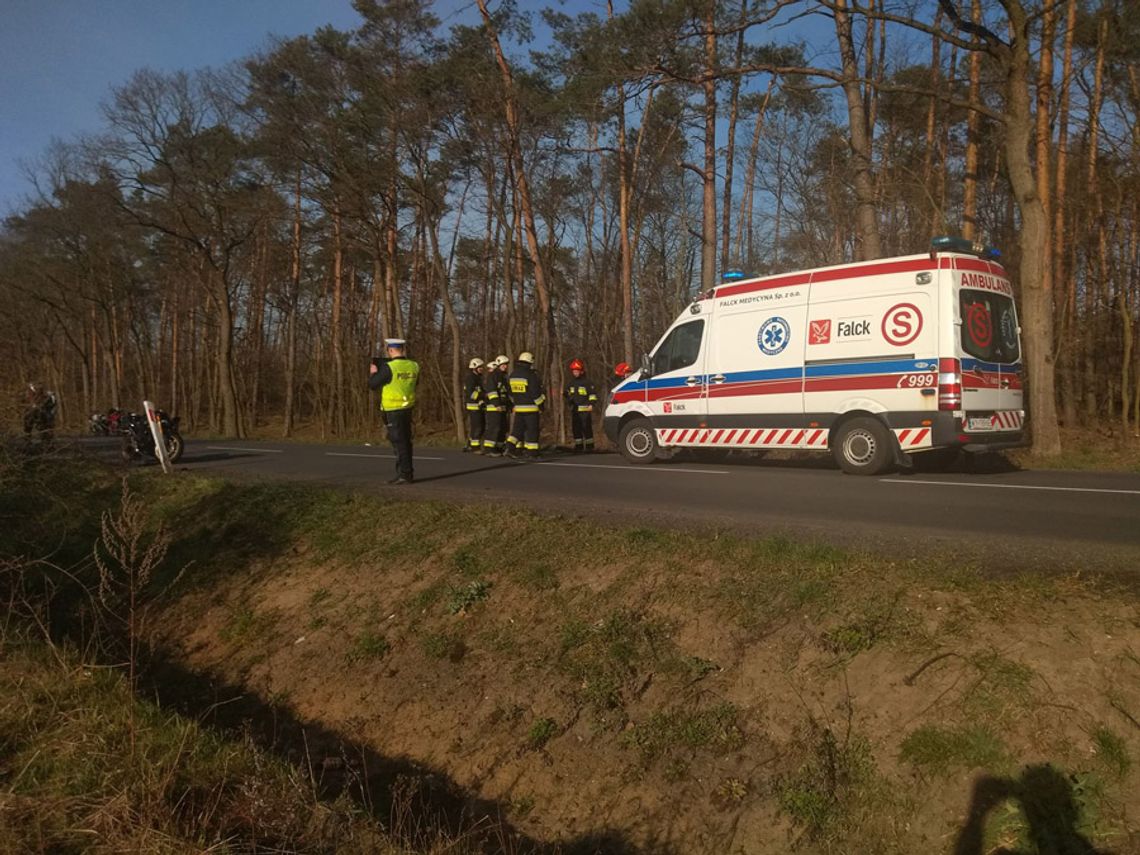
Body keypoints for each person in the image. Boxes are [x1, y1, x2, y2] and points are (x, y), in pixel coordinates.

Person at [368, 338, 420, 484]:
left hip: (393, 410)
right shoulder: (414, 366)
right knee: (406, 442)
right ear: (402, 349)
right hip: (407, 408)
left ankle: (404, 474)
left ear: (390, 350)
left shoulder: (389, 367)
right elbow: (415, 383)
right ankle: (407, 472)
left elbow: (372, 384)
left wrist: (373, 372)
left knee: (399, 443)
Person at [506, 351, 544, 459]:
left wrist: (516, 402)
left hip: (519, 407)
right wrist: (541, 405)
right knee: (532, 430)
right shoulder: (531, 375)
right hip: (531, 408)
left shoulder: (513, 374)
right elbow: (535, 393)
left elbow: (510, 391)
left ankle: (509, 447)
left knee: (517, 430)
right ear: (529, 362)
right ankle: (532, 452)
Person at [564, 358, 598, 452]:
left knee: (587, 428)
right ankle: (578, 446)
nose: (575, 373)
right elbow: (567, 393)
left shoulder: (587, 383)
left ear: (581, 371)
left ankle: (589, 447)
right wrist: (566, 397)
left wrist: (591, 404)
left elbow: (593, 395)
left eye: (577, 371)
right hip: (575, 410)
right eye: (573, 371)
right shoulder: (571, 383)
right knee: (576, 428)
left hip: (585, 410)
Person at [482, 355, 511, 455]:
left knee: (502, 428)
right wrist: (496, 404)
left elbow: (506, 393)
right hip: (493, 408)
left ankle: (498, 447)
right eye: (503, 365)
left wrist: (510, 405)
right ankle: (489, 448)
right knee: (494, 428)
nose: (505, 366)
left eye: (506, 365)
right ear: (498, 364)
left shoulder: (503, 377)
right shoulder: (493, 376)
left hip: (502, 407)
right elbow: (492, 391)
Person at [463, 358, 487, 453]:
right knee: (477, 427)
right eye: (479, 367)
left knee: (481, 426)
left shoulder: (478, 378)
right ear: (474, 367)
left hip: (478, 405)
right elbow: (470, 393)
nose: (481, 369)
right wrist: (482, 396)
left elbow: (480, 391)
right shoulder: (470, 378)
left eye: (481, 367)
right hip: (473, 406)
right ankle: (475, 447)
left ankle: (469, 444)